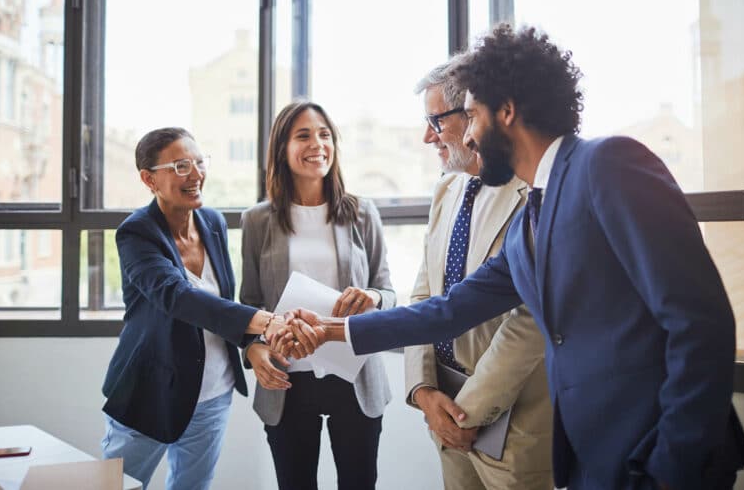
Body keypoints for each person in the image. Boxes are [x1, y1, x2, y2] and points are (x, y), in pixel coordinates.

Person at [286, 25, 744, 490]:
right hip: (593, 457)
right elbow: (449, 310)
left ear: (507, 111)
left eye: (470, 116)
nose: (467, 137)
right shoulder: (533, 216)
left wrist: (673, 466)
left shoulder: (609, 164)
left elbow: (701, 322)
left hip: (656, 456)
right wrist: (333, 331)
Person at [101, 127, 318, 490]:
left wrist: (252, 344)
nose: (197, 174)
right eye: (181, 166)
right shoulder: (136, 233)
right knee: (114, 487)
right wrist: (267, 322)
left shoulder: (212, 222)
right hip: (149, 393)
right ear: (148, 178)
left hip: (212, 393)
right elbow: (177, 296)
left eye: (199, 163)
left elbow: (221, 306)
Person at [405, 60, 552, 489]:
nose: (427, 136)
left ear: (474, 114)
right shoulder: (446, 188)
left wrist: (466, 411)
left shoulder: (531, 194)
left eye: (436, 121)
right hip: (443, 408)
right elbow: (423, 296)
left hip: (513, 423)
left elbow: (530, 322)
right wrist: (422, 391)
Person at [240, 100, 394, 490]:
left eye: (325, 135)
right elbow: (248, 304)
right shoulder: (258, 220)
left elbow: (389, 292)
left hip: (354, 376)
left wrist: (373, 297)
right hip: (287, 379)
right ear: (282, 148)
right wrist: (253, 349)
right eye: (304, 135)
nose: (318, 144)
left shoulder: (362, 212)